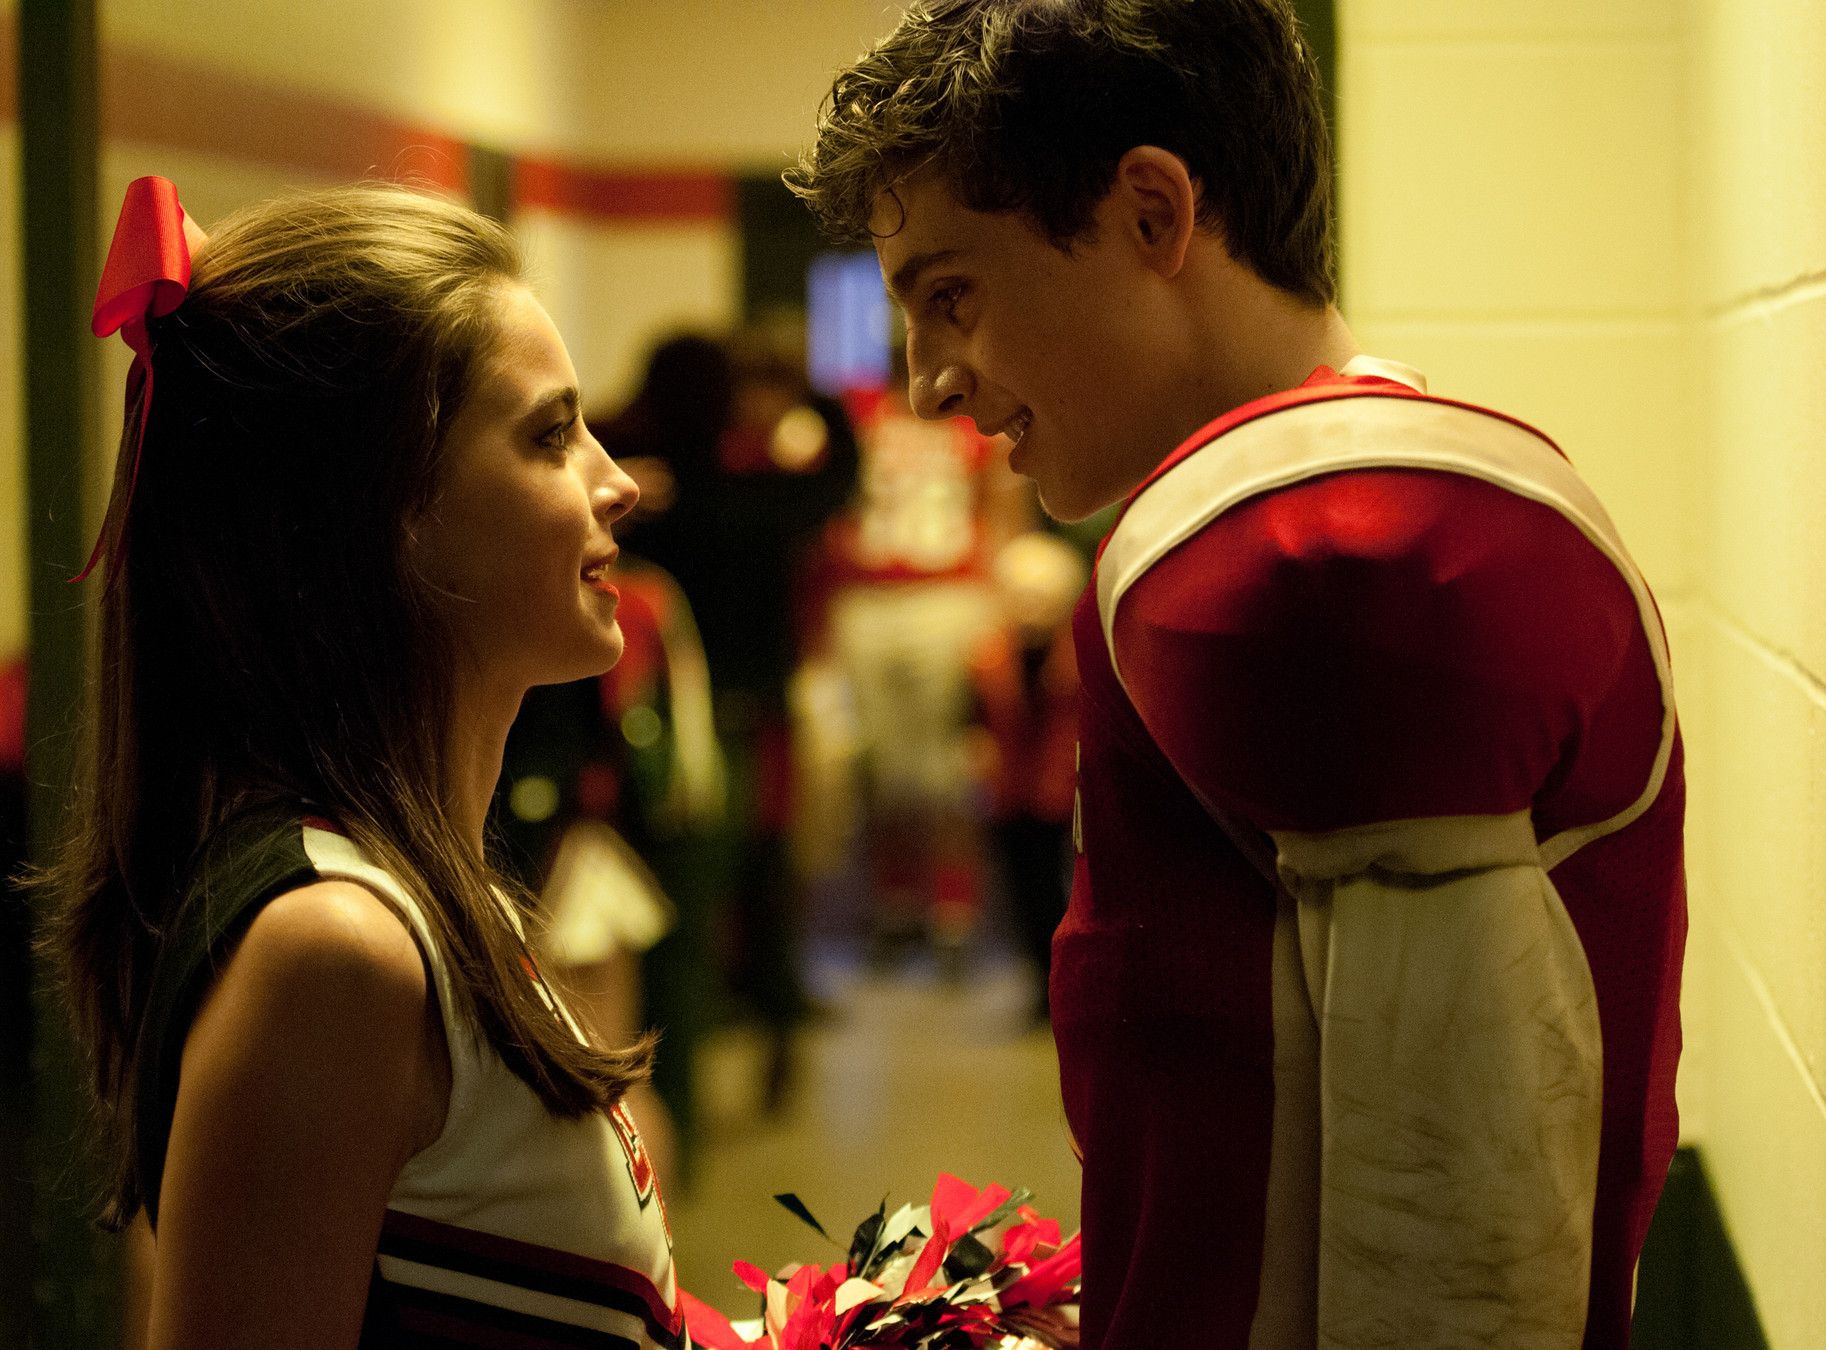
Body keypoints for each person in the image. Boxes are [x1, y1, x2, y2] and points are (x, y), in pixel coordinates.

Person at [788, 3, 1686, 1347]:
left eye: (951, 292)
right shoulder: (1281, 509)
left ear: (1153, 213)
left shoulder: (1326, 543)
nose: (923, 383)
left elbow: (1444, 1242)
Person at [38, 179, 684, 1349]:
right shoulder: (335, 949)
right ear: (387, 512)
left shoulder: (435, 893)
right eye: (549, 434)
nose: (616, 480)